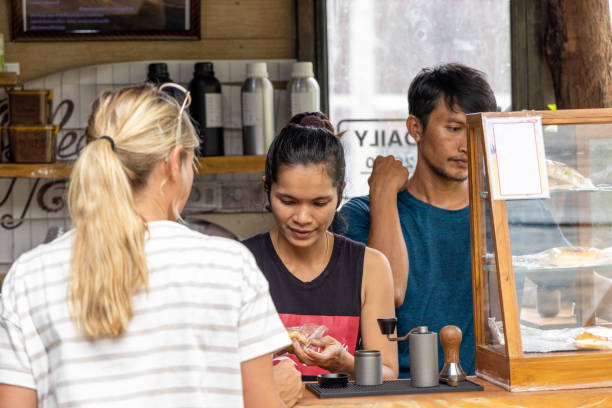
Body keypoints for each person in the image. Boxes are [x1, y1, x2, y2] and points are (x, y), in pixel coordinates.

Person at [0, 84, 300, 407]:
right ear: (172, 163)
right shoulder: (230, 266)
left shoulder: (28, 277)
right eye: (190, 162)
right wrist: (276, 392)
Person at [334, 64, 497, 377]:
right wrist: (382, 195)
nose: (466, 145)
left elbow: (576, 280)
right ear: (415, 127)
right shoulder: (361, 214)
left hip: (487, 391)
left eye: (475, 131)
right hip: (398, 392)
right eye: (453, 128)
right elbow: (391, 291)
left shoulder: (500, 213)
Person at [243, 112, 398, 380]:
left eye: (319, 203)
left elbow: (388, 372)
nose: (302, 218)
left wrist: (345, 363)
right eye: (288, 201)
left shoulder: (371, 267)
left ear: (340, 193)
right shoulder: (241, 263)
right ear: (266, 188)